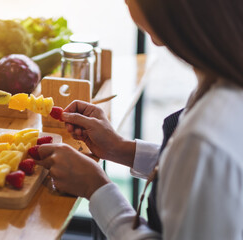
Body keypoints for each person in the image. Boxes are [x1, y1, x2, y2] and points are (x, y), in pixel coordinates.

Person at [34, 0, 243, 239]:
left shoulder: (204, 140)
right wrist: (121, 149)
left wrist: (96, 187)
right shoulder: (224, 84)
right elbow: (195, 180)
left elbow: (197, 162)